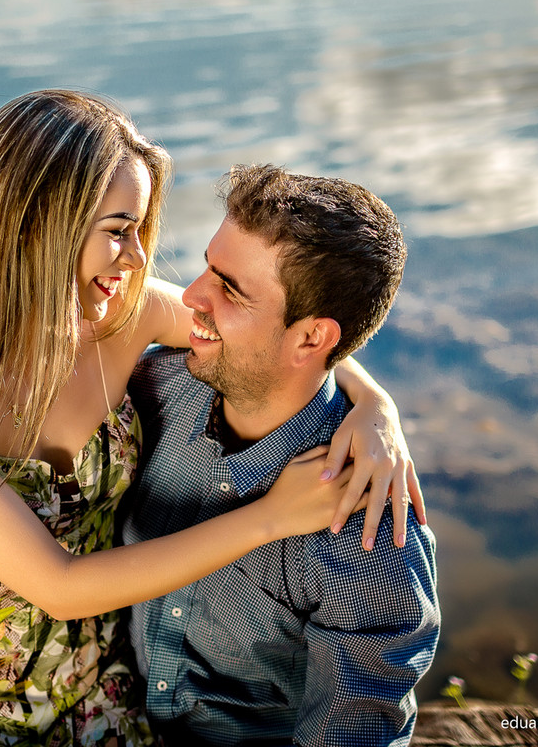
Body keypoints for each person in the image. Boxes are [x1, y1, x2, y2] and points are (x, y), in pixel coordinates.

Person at [0, 90, 421, 746]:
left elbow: (270, 340)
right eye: (118, 231)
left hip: (107, 697)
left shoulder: (127, 316)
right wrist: (269, 518)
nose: (135, 259)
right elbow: (57, 588)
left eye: (140, 230)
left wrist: (379, 409)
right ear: (35, 222)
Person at [123, 165, 439, 746]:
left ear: (312, 339)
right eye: (209, 266)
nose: (192, 294)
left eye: (231, 287)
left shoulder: (366, 530)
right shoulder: (152, 390)